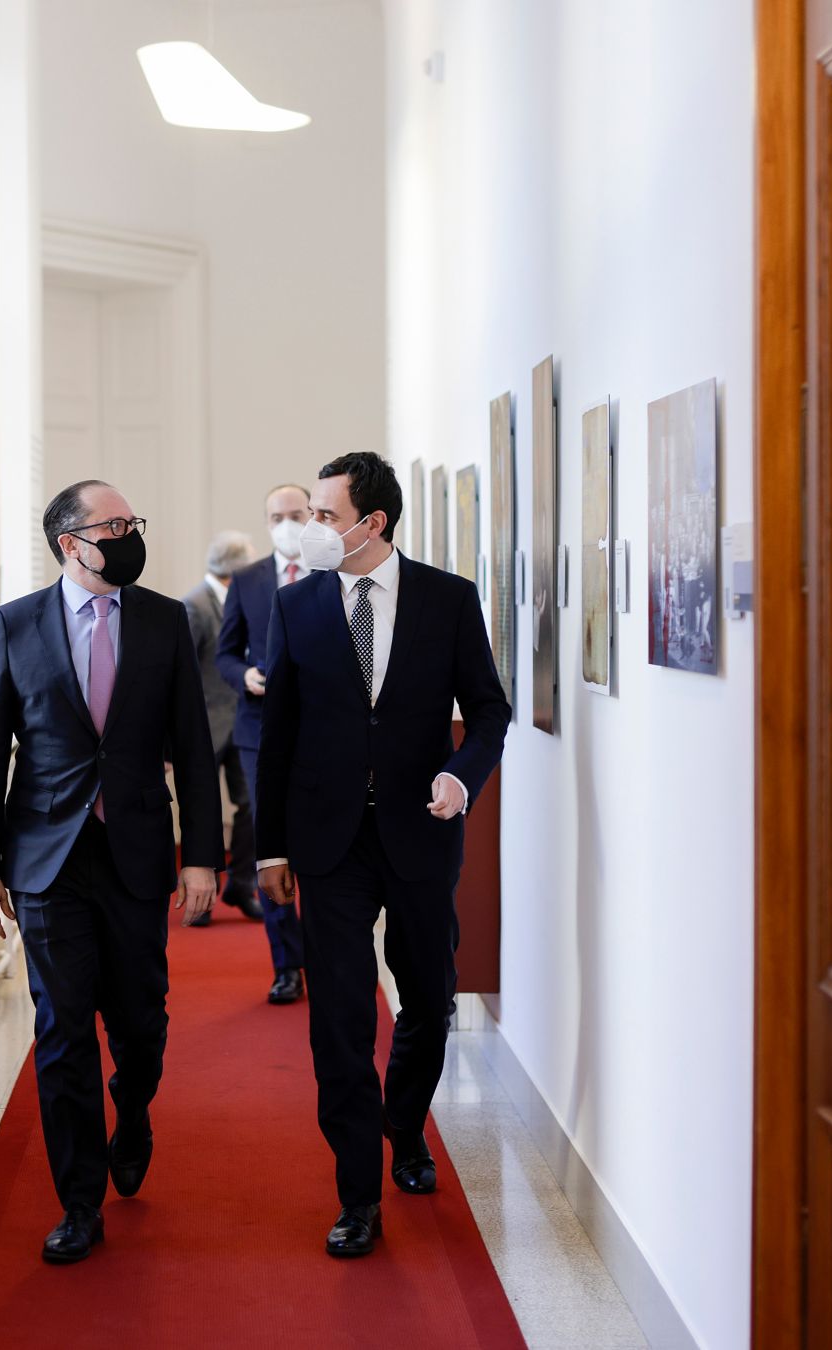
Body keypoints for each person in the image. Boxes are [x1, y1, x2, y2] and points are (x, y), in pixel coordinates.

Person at [0, 480, 220, 1265]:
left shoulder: (164, 621)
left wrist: (202, 854)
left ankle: (132, 1110)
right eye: (115, 524)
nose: (130, 533)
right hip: (46, 859)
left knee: (140, 1022)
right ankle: (79, 1203)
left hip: (137, 852)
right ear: (72, 543)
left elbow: (194, 748)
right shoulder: (15, 626)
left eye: (133, 521)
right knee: (62, 1031)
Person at [255, 453, 509, 1259]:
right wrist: (269, 850)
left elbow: (492, 713)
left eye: (326, 516)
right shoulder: (296, 608)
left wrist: (460, 778)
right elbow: (278, 737)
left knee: (429, 999)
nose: (311, 529)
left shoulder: (447, 599)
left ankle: (405, 1121)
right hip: (330, 841)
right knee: (339, 1020)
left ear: (375, 524)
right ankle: (357, 1192)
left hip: (421, 831)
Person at [215, 484, 312, 1002]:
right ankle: (287, 965)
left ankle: (325, 954)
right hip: (257, 729)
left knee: (318, 841)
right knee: (270, 843)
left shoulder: (329, 571)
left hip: (318, 731)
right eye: (277, 516)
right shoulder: (248, 579)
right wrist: (245, 675)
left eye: (296, 514)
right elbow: (225, 652)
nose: (286, 524)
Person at [179, 530, 261, 927]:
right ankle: (203, 892)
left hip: (243, 725)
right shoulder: (192, 606)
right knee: (205, 812)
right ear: (235, 567)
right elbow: (179, 675)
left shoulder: (243, 599)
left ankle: (243, 883)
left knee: (250, 807)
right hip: (205, 728)